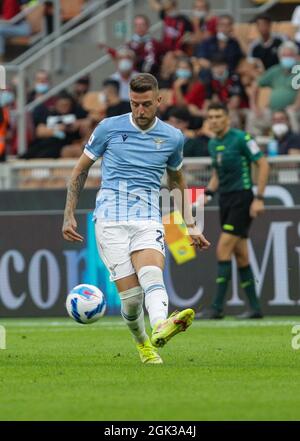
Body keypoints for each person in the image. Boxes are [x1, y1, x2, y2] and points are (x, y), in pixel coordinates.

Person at [62, 73, 210, 364]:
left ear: (158, 101)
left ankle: (161, 326)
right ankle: (143, 344)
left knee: (152, 273)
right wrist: (68, 214)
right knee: (131, 300)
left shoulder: (172, 137)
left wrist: (190, 225)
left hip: (147, 217)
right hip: (109, 219)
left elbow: (177, 183)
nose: (139, 111)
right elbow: (80, 170)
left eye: (145, 104)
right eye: (134, 104)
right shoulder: (108, 128)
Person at [198, 102, 269, 319]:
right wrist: (208, 194)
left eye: (219, 116)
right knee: (241, 255)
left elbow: (263, 164)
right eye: (211, 117)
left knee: (223, 249)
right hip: (225, 200)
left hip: (242, 198)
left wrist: (259, 198)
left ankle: (217, 307)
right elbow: (218, 174)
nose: (215, 120)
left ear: (227, 118)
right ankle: (255, 309)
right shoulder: (213, 144)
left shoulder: (242, 139)